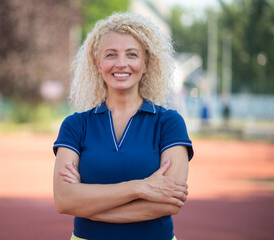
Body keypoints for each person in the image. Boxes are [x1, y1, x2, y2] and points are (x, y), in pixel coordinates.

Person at [53, 13, 194, 240]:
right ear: (97, 63)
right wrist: (140, 187)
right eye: (111, 55)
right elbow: (63, 200)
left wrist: (88, 205)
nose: (121, 64)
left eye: (132, 54)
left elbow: (170, 202)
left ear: (146, 63)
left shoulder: (169, 123)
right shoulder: (75, 126)